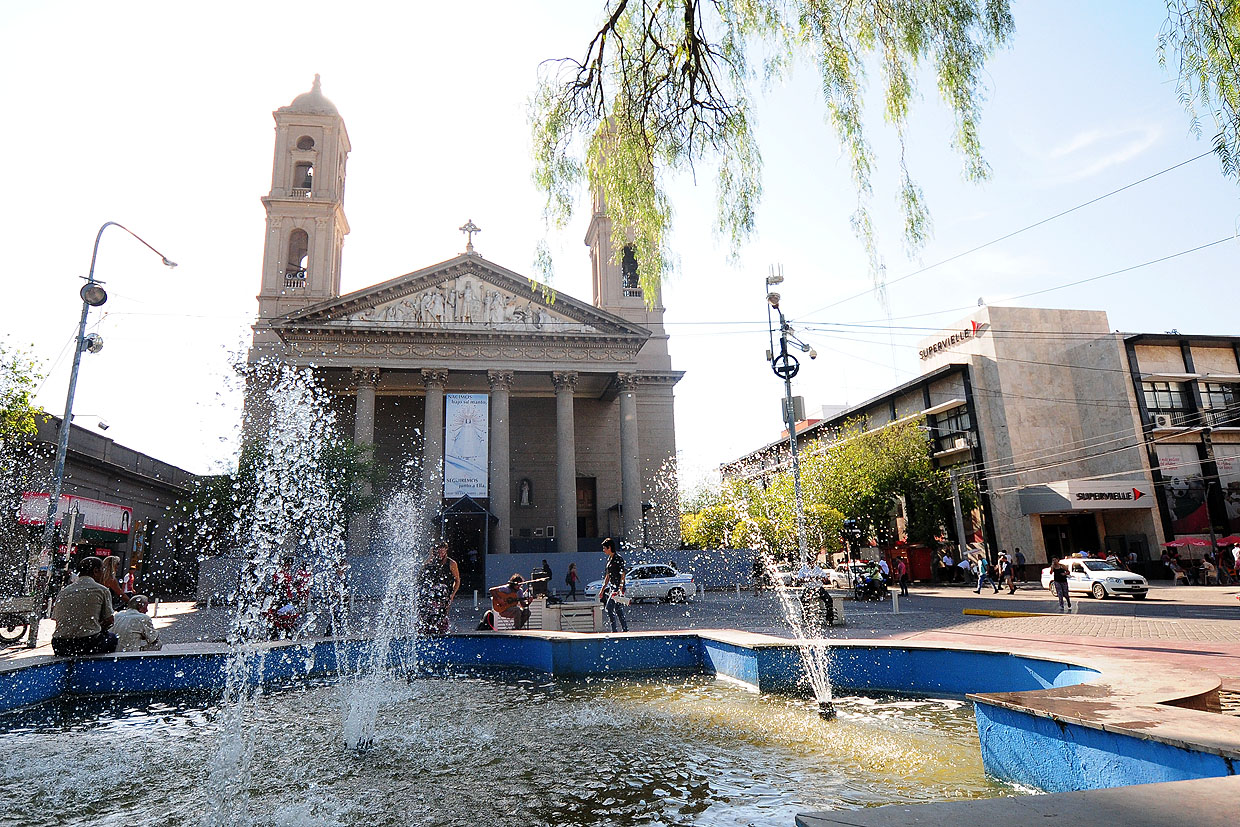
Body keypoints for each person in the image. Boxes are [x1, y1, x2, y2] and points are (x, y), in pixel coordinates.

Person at [50, 556, 118, 657]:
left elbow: (56, 620)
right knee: (112, 638)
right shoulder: (101, 590)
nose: (103, 574)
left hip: (59, 644)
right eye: (102, 570)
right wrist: (94, 626)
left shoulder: (64, 591)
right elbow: (110, 620)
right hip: (87, 643)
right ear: (95, 571)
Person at [417, 541, 460, 637]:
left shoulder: (451, 563)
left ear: (446, 551)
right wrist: (430, 557)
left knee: (441, 618)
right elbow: (420, 574)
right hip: (429, 595)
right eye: (438, 552)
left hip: (443, 596)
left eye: (442, 552)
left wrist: (452, 595)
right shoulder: (431, 562)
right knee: (425, 618)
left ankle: (441, 635)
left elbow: (457, 580)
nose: (440, 554)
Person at [599, 537, 629, 632]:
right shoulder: (609, 560)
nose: (603, 550)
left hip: (618, 587)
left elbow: (623, 574)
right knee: (618, 609)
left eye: (604, 548)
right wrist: (602, 589)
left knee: (609, 607)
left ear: (610, 548)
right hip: (612, 587)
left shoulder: (618, 558)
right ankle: (625, 629)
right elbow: (607, 576)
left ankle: (614, 630)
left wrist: (620, 589)